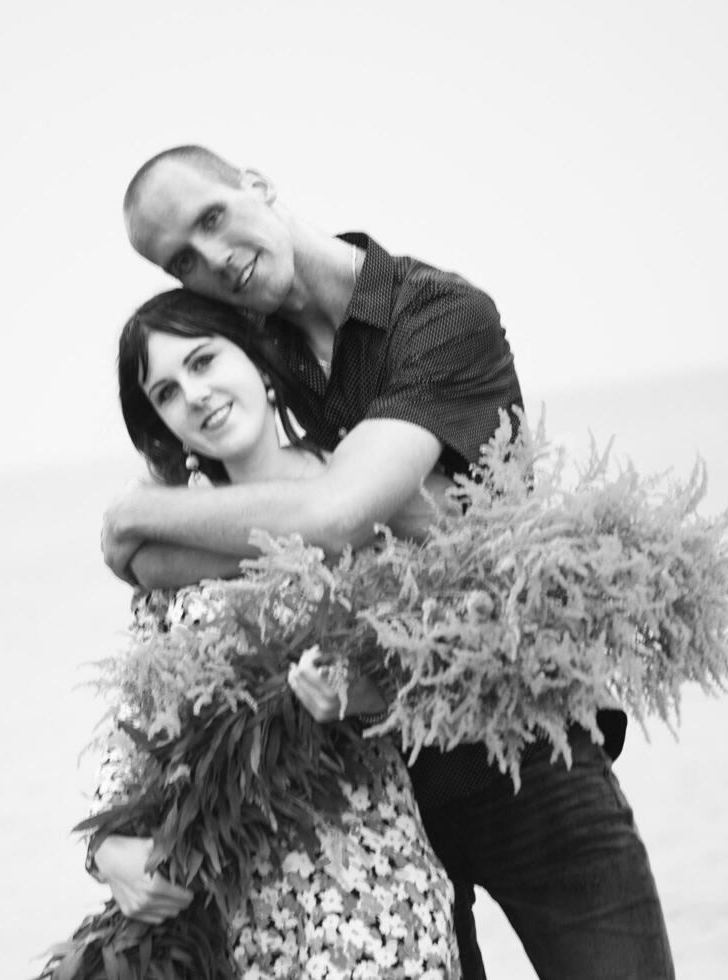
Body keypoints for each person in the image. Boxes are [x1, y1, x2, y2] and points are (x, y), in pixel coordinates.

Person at [101, 144, 676, 980]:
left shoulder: (436, 317)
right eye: (182, 259)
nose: (213, 258)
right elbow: (164, 574)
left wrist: (130, 515)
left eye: (214, 218)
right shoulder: (256, 362)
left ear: (257, 184)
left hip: (522, 750)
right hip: (384, 805)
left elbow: (333, 514)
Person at [95, 289, 460, 978]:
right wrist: (106, 850)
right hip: (233, 917)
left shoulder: (354, 490)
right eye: (168, 392)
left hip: (373, 900)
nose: (195, 396)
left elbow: (444, 672)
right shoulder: (170, 540)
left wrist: (363, 691)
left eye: (204, 362)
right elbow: (134, 719)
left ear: (259, 363)